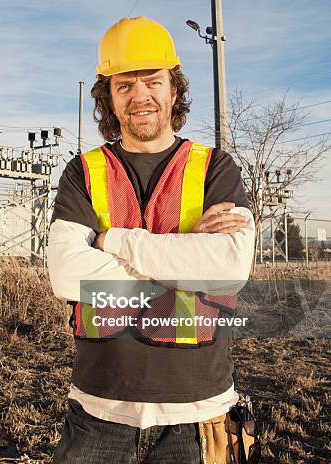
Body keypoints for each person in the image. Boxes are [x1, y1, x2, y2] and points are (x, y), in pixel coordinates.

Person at [48, 16, 255, 463]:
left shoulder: (215, 169)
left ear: (174, 90)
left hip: (198, 412)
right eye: (124, 86)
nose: (140, 96)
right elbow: (67, 276)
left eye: (153, 82)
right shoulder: (83, 172)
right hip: (99, 408)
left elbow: (230, 270)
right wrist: (185, 256)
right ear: (109, 99)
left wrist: (110, 241)